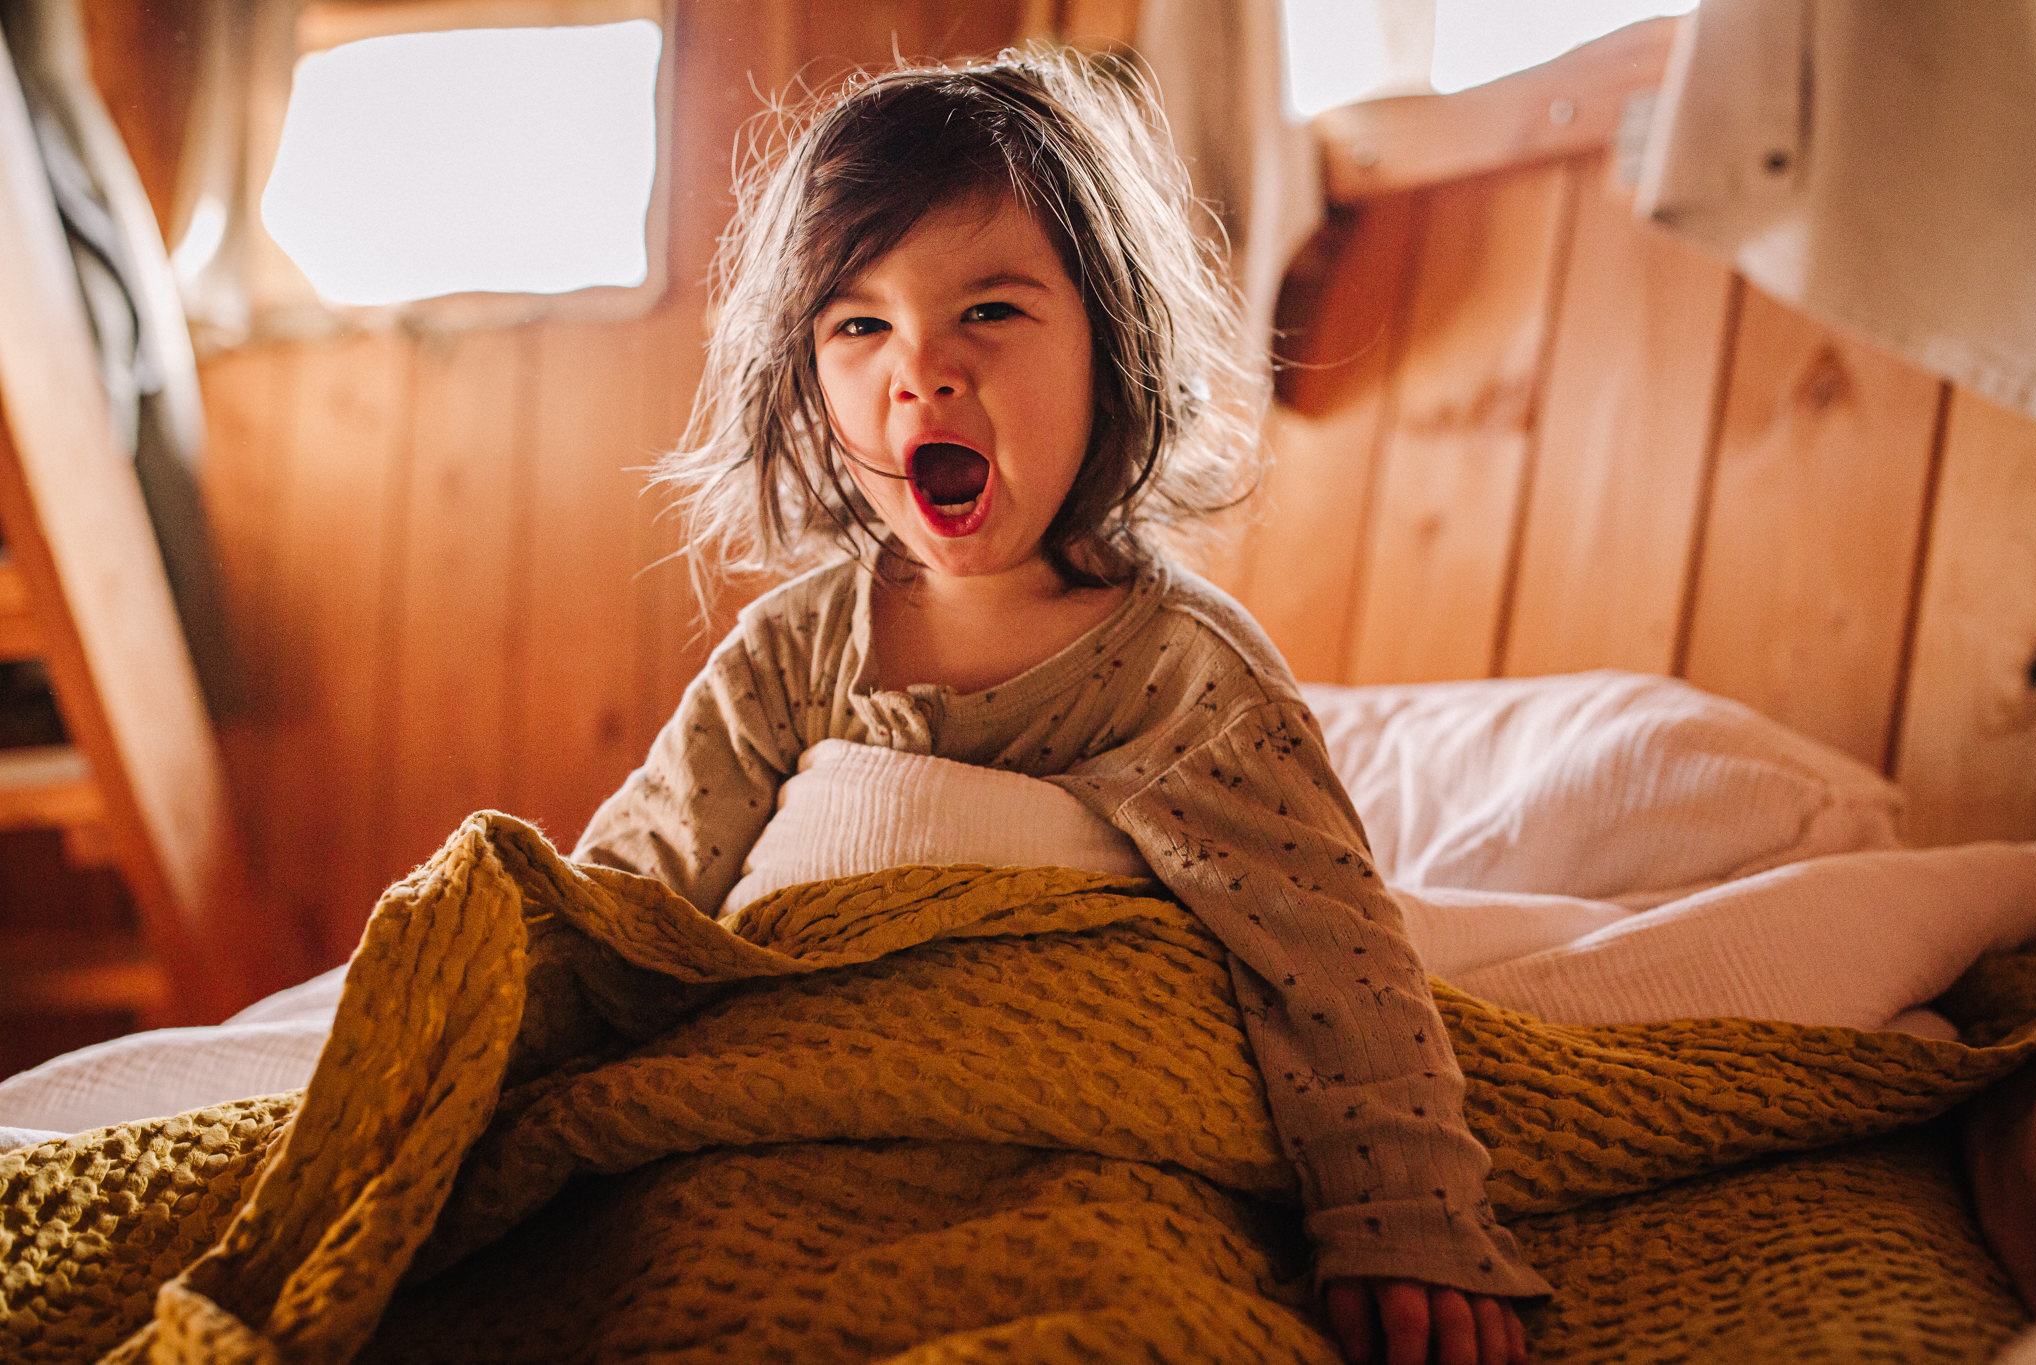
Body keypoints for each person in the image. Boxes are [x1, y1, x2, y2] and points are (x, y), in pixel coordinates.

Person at [575, 48, 1548, 1365]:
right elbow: (626, 897)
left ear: (1111, 345)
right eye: (859, 326)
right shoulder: (789, 657)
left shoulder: (1187, 672)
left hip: (1073, 1127)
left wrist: (1409, 1213)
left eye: (988, 311)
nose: (920, 371)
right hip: (804, 1116)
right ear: (801, 380)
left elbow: (1333, 961)